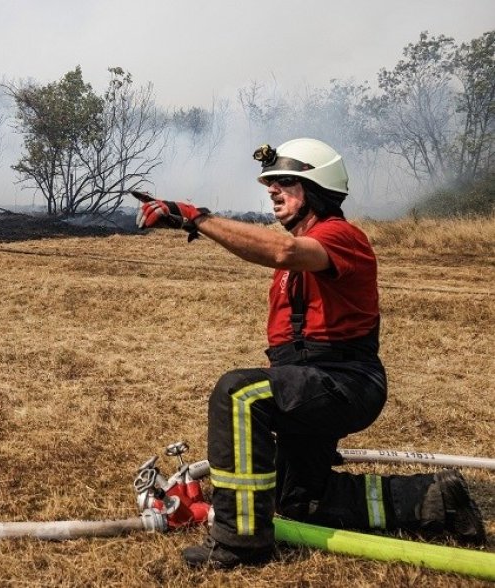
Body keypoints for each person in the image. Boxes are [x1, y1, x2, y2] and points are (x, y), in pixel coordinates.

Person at [136, 138, 486, 569]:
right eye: (271, 184)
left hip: (345, 382)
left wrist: (198, 217)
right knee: (299, 500)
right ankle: (436, 499)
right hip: (309, 383)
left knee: (237, 393)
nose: (273, 191)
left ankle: (239, 543)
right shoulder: (295, 264)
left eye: (286, 182)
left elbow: (282, 250)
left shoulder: (341, 237)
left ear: (316, 190)